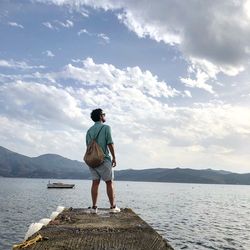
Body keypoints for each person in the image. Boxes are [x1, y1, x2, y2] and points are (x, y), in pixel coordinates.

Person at [85, 108, 120, 214]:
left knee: (95, 183)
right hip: (104, 159)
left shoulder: (89, 131)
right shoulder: (106, 128)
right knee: (109, 182)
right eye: (103, 114)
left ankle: (94, 207)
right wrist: (114, 157)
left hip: (92, 160)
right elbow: (110, 143)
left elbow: (88, 145)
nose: (105, 116)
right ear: (100, 116)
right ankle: (113, 207)